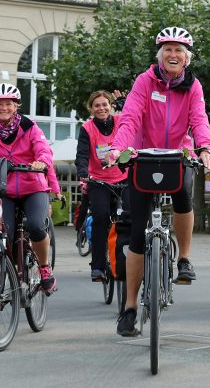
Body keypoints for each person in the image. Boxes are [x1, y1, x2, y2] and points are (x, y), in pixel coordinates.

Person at [106, 27, 210, 336]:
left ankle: (184, 258)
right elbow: (130, 117)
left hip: (177, 154)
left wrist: (205, 148)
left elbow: (199, 120)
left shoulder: (193, 87)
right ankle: (129, 308)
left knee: (184, 196)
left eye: (179, 50)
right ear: (159, 54)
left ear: (187, 57)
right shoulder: (145, 81)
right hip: (142, 155)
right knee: (137, 235)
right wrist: (117, 148)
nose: (173, 54)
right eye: (167, 49)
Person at [0, 82, 57, 295]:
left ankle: (44, 267)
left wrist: (41, 161)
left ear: (16, 106)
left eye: (8, 103)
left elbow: (43, 148)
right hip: (3, 190)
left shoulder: (30, 127)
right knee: (1, 235)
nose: (3, 107)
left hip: (33, 186)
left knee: (35, 225)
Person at [75, 90, 130, 281]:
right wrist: (82, 172)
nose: (101, 108)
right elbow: (82, 154)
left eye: (105, 104)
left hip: (123, 178)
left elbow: (134, 120)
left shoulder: (120, 121)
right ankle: (97, 266)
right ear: (91, 108)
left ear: (111, 106)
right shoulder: (87, 129)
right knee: (100, 217)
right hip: (99, 180)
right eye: (97, 105)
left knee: (131, 216)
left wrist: (124, 102)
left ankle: (132, 257)